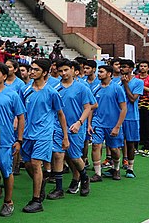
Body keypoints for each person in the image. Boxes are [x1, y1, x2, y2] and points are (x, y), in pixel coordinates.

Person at [20, 58, 68, 213]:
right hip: (28, 133)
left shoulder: (52, 92)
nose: (32, 72)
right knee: (27, 164)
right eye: (31, 69)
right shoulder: (26, 90)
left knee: (35, 163)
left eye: (36, 70)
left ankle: (36, 200)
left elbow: (60, 114)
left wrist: (65, 136)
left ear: (45, 73)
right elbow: (21, 112)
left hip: (44, 133)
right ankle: (40, 184)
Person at [49, 60, 93, 198]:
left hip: (75, 128)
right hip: (58, 127)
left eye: (66, 70)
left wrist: (79, 123)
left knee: (74, 157)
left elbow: (88, 108)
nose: (63, 73)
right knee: (58, 155)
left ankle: (84, 178)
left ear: (73, 70)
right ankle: (59, 188)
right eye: (61, 71)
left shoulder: (82, 88)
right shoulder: (55, 87)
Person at [0, 63, 26, 216]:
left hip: (5, 140)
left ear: (4, 76)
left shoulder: (12, 95)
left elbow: (21, 117)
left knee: (6, 170)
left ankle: (8, 201)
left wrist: (19, 139)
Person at [89, 65, 127, 182]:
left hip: (113, 125)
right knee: (96, 146)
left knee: (115, 150)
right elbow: (90, 107)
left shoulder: (117, 88)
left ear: (109, 74)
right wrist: (89, 124)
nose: (99, 74)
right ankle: (97, 173)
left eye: (101, 72)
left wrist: (117, 126)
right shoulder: (95, 88)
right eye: (98, 71)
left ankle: (116, 168)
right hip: (97, 123)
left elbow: (124, 108)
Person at [119, 59, 142, 178]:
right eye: (121, 66)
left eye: (125, 66)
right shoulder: (116, 82)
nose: (121, 68)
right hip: (117, 117)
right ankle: (115, 167)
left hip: (131, 116)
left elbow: (133, 99)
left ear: (131, 69)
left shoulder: (138, 82)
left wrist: (126, 84)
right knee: (116, 142)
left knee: (130, 142)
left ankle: (130, 168)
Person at [136, 59, 149, 157]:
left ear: (148, 68)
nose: (142, 68)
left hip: (147, 105)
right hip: (136, 104)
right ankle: (135, 147)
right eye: (141, 66)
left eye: (145, 66)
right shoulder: (135, 77)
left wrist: (140, 85)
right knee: (137, 126)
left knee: (147, 126)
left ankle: (146, 148)